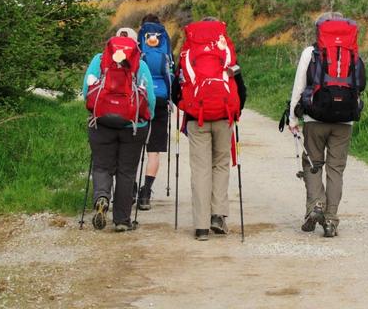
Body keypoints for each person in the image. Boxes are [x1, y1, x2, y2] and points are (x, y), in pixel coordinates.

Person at [288, 12, 366, 237]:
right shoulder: (352, 52)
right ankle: (331, 219)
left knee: (313, 163)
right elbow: (360, 84)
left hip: (315, 118)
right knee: (335, 169)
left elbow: (299, 85)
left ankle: (315, 206)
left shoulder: (310, 52)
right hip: (344, 120)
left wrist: (294, 117)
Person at [174, 17, 247, 241]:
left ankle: (201, 227)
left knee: (200, 169)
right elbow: (240, 87)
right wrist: (235, 112)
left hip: (197, 118)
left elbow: (177, 88)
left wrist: (188, 108)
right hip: (224, 116)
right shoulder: (225, 48)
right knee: (220, 165)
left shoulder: (188, 52)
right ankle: (218, 216)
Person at [83, 27, 156, 231]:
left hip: (101, 122)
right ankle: (122, 220)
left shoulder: (99, 60)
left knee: (101, 166)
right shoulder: (140, 64)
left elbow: (85, 91)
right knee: (126, 171)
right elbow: (149, 98)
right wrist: (147, 117)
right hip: (133, 125)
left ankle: (102, 198)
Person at [136, 14, 174, 210]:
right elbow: (172, 72)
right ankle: (145, 193)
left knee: (133, 146)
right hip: (160, 98)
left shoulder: (138, 43)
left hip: (139, 98)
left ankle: (129, 187)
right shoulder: (165, 44)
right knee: (154, 150)